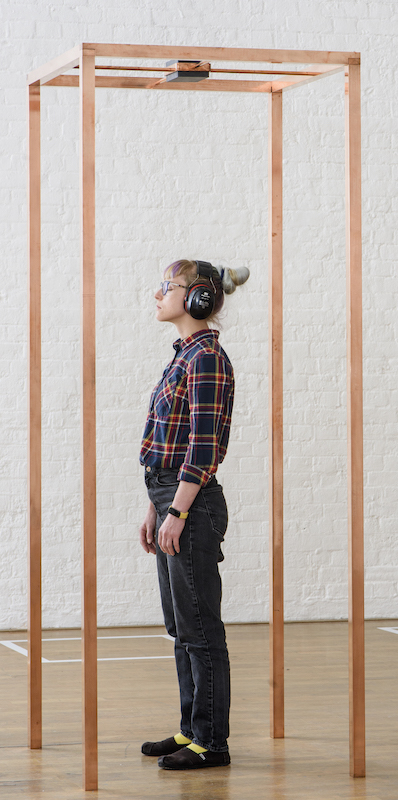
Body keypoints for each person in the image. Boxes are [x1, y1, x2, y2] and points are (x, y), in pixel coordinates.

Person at [139, 259, 249, 770]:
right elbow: (169, 442)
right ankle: (191, 731)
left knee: (201, 628)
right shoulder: (185, 355)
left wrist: (178, 512)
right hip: (171, 501)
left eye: (168, 286)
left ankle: (212, 743)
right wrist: (154, 506)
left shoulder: (206, 359)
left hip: (192, 507)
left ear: (198, 297)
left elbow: (203, 450)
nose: (158, 294)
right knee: (182, 627)